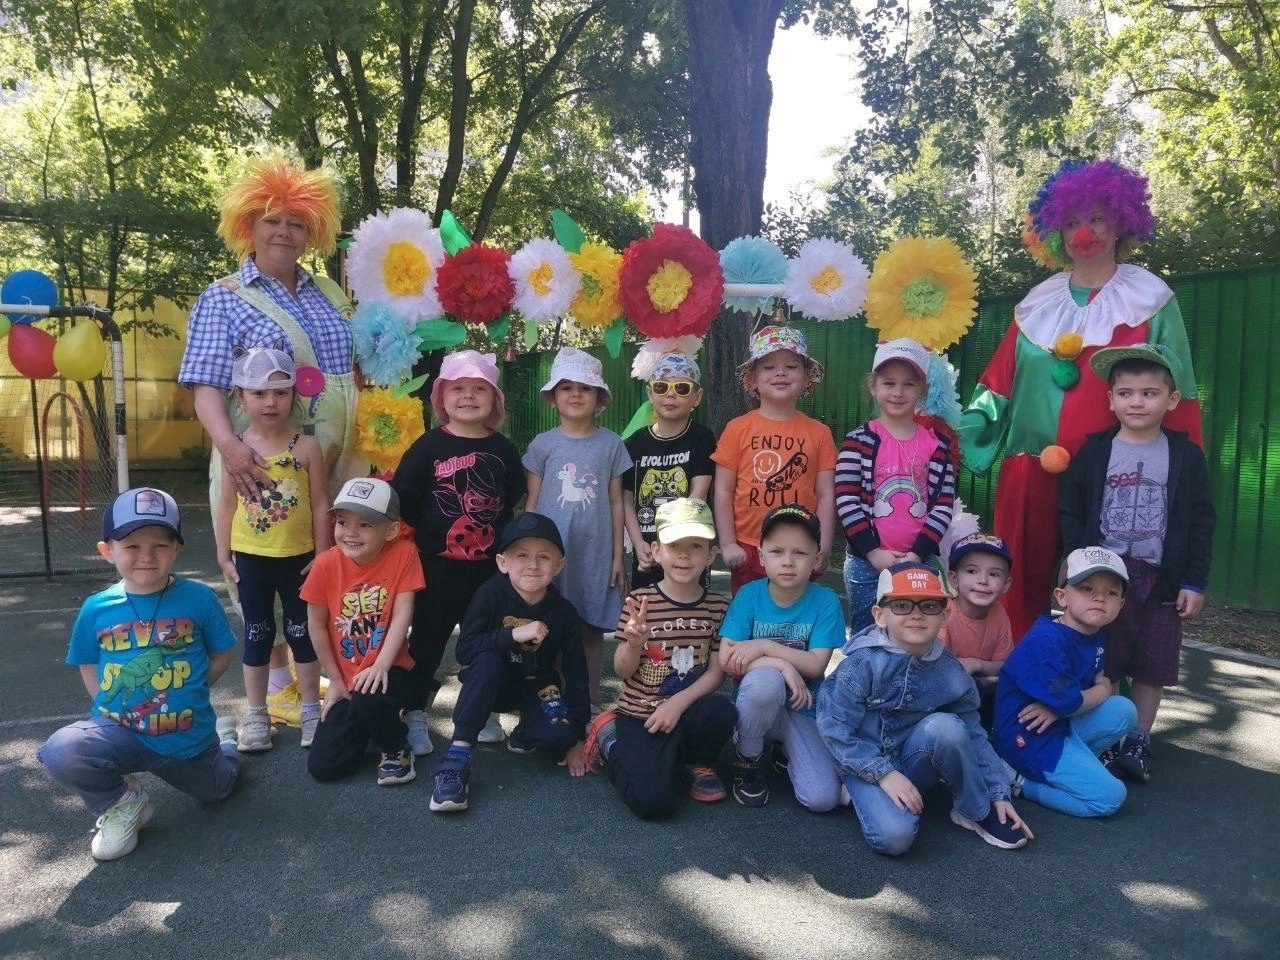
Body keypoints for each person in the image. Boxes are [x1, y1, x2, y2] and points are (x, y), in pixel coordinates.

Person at [961, 159, 1203, 642]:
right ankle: (1011, 677)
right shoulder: (1035, 303)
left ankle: (1101, 685)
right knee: (1017, 585)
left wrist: (1180, 465)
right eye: (1071, 222)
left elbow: (1181, 389)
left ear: (1120, 223)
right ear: (1056, 231)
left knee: (1102, 592)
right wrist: (956, 434)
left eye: (1096, 218)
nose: (1084, 233)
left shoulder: (1152, 299)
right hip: (1029, 468)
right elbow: (997, 385)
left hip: (1114, 472)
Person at [36, 488, 240, 861]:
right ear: (107, 551)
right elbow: (87, 662)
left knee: (219, 790)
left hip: (188, 741)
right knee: (62, 751)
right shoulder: (96, 608)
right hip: (122, 732)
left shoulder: (199, 598)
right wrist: (110, 706)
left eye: (160, 545)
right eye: (131, 546)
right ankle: (124, 803)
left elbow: (222, 652)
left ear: (176, 549)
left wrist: (195, 688)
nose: (146, 556)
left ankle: (225, 742)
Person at [1059, 344, 1215, 782]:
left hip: (1161, 580)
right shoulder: (1095, 452)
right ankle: (1107, 736)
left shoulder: (1185, 456)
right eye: (1126, 393)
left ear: (1172, 400)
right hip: (1103, 578)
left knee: (1153, 663)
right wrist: (1074, 561)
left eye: (1149, 393)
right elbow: (1071, 510)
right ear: (1110, 400)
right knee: (1104, 659)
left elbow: (1202, 521)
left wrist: (1194, 581)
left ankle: (1139, 739)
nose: (1137, 402)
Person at [817, 563, 1033, 855]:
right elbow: (834, 728)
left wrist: (998, 792)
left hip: (913, 759)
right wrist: (883, 773)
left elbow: (974, 733)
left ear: (945, 616)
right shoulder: (861, 665)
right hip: (865, 762)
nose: (916, 614)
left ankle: (973, 811)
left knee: (948, 727)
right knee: (894, 838)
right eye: (902, 605)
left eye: (929, 606)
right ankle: (862, 792)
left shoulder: (951, 670)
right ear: (880, 615)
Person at [391, 350, 525, 755]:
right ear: (442, 398)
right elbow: (405, 496)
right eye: (458, 388)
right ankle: (414, 710)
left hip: (488, 570)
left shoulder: (503, 449)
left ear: (494, 400)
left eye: (479, 389)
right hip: (436, 567)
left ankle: (481, 709)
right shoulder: (428, 446)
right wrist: (429, 536)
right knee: (426, 641)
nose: (468, 396)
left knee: (484, 639)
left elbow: (511, 497)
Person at [584, 498, 736, 820]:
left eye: (695, 546)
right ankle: (611, 744)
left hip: (686, 709)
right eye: (674, 545)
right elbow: (622, 671)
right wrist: (634, 645)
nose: (684, 555)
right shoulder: (640, 601)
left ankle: (692, 762)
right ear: (656, 551)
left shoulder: (719, 606)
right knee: (653, 804)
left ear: (711, 554)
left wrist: (677, 704)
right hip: (640, 715)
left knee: (721, 711)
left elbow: (715, 672)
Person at [429, 513, 590, 813]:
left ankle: (526, 731)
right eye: (522, 555)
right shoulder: (490, 594)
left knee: (561, 737)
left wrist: (578, 736)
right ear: (503, 563)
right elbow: (465, 650)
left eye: (544, 557)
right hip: (494, 682)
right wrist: (512, 634)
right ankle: (457, 758)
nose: (533, 565)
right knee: (486, 663)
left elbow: (577, 673)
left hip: (536, 684)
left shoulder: (564, 611)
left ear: (558, 565)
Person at [214, 348, 330, 752]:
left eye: (280, 393)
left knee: (303, 634)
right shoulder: (235, 449)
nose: (270, 402)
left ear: (293, 395)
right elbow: (226, 505)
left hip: (300, 560)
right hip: (251, 560)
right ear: (240, 396)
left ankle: (312, 710)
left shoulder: (307, 447)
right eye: (259, 393)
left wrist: (323, 554)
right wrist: (223, 554)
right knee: (258, 636)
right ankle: (256, 715)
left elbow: (320, 503)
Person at [994, 548, 1139, 818]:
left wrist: (1062, 708)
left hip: (1058, 722)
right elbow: (1074, 701)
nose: (1099, 598)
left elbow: (1069, 701)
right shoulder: (1047, 640)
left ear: (1121, 604)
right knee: (1110, 798)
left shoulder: (1092, 631)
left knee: (1125, 710)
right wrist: (1102, 689)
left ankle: (1074, 766)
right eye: (1086, 588)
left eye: (1111, 593)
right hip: (1028, 737)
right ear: (1062, 597)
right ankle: (1019, 781)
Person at [523, 347, 632, 706]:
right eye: (566, 387)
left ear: (599, 397)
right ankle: (548, 701)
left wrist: (617, 556)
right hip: (550, 554)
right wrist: (526, 552)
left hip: (594, 553)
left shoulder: (611, 444)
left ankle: (588, 701)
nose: (575, 394)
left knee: (590, 626)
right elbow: (532, 503)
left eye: (585, 388)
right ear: (553, 396)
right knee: (547, 626)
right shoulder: (543, 444)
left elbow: (616, 502)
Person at [720, 504, 845, 810]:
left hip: (804, 707)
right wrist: (783, 666)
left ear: (817, 559)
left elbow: (815, 665)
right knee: (766, 683)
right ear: (761, 556)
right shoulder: (749, 595)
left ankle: (781, 747)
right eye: (777, 552)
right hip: (758, 700)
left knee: (822, 799)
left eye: (800, 553)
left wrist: (764, 646)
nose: (788, 561)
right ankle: (748, 759)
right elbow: (727, 658)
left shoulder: (825, 600)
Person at [301, 478, 424, 786]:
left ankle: (396, 748)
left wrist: (381, 664)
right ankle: (371, 724)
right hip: (347, 677)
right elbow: (316, 625)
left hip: (390, 668)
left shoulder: (404, 553)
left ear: (391, 531)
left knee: (369, 698)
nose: (350, 532)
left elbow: (403, 613)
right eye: (343, 522)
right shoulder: (325, 564)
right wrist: (335, 680)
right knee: (324, 767)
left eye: (365, 525)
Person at [836, 337, 957, 634]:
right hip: (866, 562)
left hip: (919, 560)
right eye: (889, 383)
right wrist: (874, 553)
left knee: (915, 633)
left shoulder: (937, 445)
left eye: (909, 384)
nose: (898, 392)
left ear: (923, 390)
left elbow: (943, 505)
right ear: (873, 386)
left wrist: (916, 555)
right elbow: (846, 501)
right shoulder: (857, 442)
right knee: (867, 632)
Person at [712, 325, 837, 593]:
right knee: (749, 615)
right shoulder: (737, 429)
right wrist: (728, 543)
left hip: (801, 548)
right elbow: (723, 490)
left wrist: (824, 547)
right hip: (748, 547)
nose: (780, 373)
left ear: (806, 377)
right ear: (753, 378)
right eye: (769, 367)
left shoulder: (820, 433)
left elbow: (826, 494)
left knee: (799, 615)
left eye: (791, 366)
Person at [622, 353, 716, 589]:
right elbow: (626, 500)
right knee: (645, 607)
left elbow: (699, 494)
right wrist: (638, 543)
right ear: (650, 393)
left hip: (686, 549)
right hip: (646, 551)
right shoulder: (634, 444)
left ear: (697, 397)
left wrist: (669, 548)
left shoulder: (702, 438)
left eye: (682, 388)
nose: (670, 394)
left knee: (691, 604)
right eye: (661, 387)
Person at [940, 532, 1016, 729]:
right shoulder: (944, 613)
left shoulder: (999, 613)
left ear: (1006, 585)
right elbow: (939, 670)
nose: (983, 580)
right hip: (944, 696)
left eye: (994, 574)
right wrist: (982, 681)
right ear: (954, 579)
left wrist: (976, 665)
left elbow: (1005, 665)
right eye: (972, 571)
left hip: (984, 691)